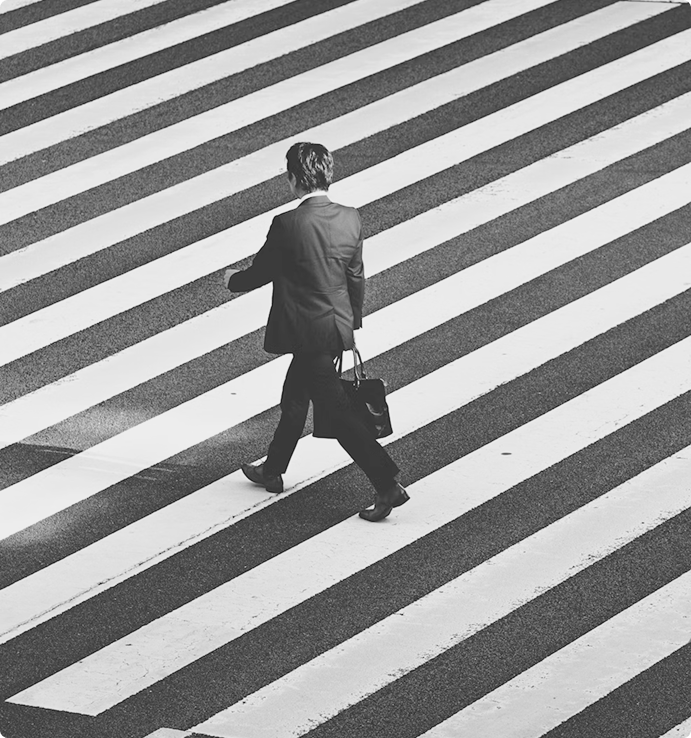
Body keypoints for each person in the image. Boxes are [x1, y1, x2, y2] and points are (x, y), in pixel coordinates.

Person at [224, 142, 408, 522]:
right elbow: (355, 276)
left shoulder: (288, 224)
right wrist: (350, 324)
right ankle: (273, 468)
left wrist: (231, 280)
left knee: (337, 414)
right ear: (328, 174)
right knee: (295, 397)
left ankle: (387, 483)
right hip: (334, 325)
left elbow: (261, 272)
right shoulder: (350, 218)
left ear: (293, 179)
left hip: (304, 329)